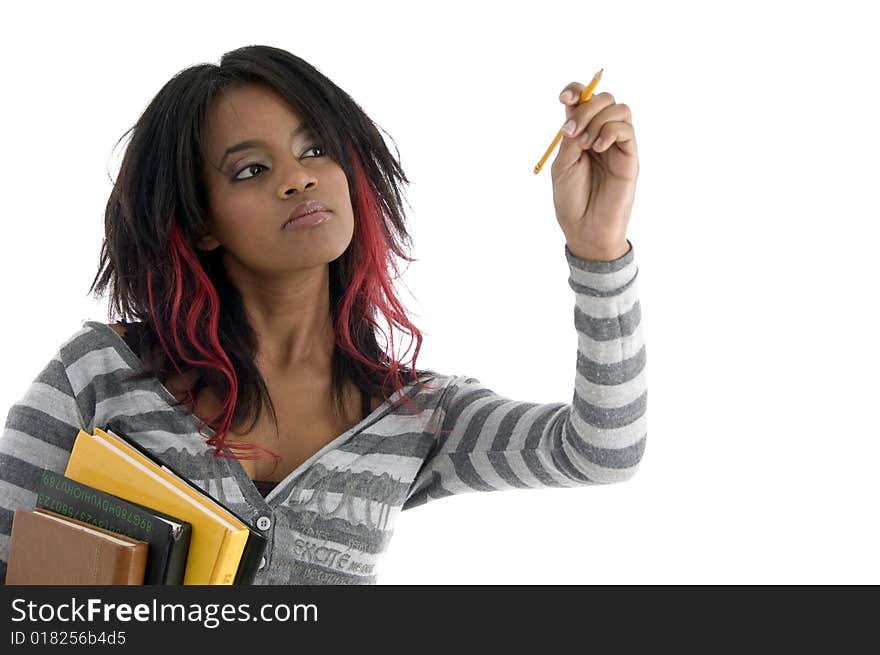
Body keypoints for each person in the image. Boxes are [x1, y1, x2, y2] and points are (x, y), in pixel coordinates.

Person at [0, 44, 646, 584]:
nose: (297, 178)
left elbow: (603, 450)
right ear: (200, 222)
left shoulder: (415, 414)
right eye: (251, 168)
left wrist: (598, 252)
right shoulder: (101, 374)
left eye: (315, 150)